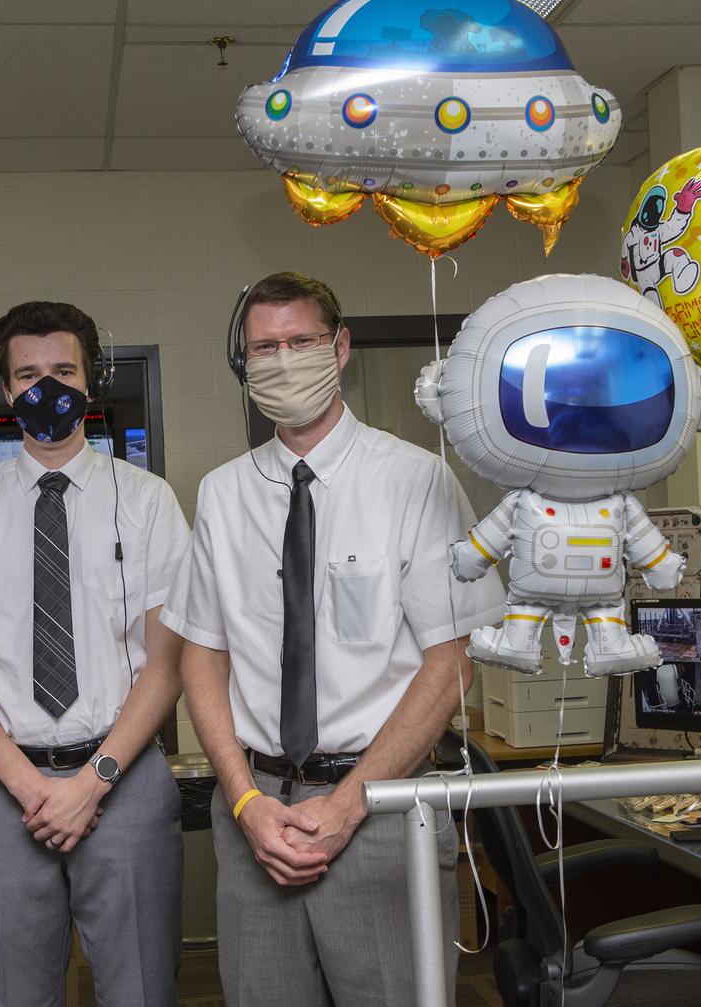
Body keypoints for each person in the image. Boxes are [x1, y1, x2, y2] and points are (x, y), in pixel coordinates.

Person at [161, 272, 506, 1005]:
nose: (283, 361)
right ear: (244, 366)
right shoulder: (222, 494)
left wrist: (348, 804)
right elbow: (202, 653)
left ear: (341, 348)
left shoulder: (418, 480)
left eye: (301, 341)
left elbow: (449, 666)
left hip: (380, 807)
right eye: (264, 348)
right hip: (256, 810)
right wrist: (245, 800)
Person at [0, 301, 189, 1007]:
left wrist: (92, 781)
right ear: (6, 390)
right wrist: (33, 789)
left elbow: (168, 662)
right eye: (28, 375)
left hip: (122, 773)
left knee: (142, 989)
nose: (46, 388)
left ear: (90, 382)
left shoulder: (149, 502)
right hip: (5, 786)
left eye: (63, 370)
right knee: (13, 991)